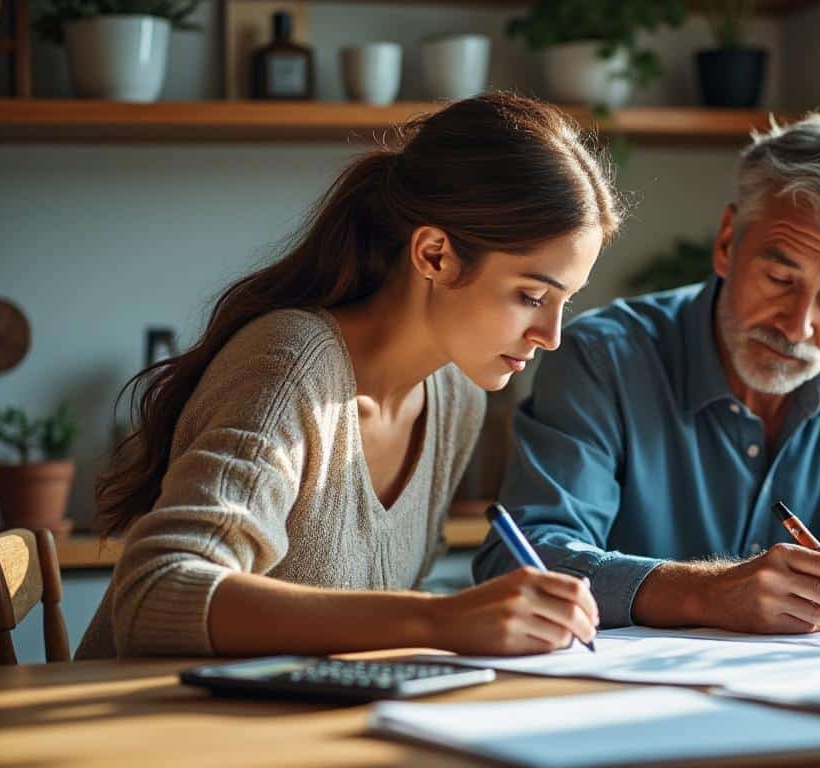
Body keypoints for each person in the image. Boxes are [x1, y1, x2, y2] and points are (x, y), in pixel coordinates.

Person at [76, 94, 614, 659]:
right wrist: (436, 619)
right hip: (140, 710)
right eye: (532, 296)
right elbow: (157, 593)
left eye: (565, 302)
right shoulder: (292, 367)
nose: (551, 336)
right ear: (434, 255)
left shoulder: (456, 397)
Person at [473, 110, 820, 633]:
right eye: (780, 280)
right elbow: (521, 558)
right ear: (727, 244)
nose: (798, 326)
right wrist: (705, 592)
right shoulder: (605, 356)